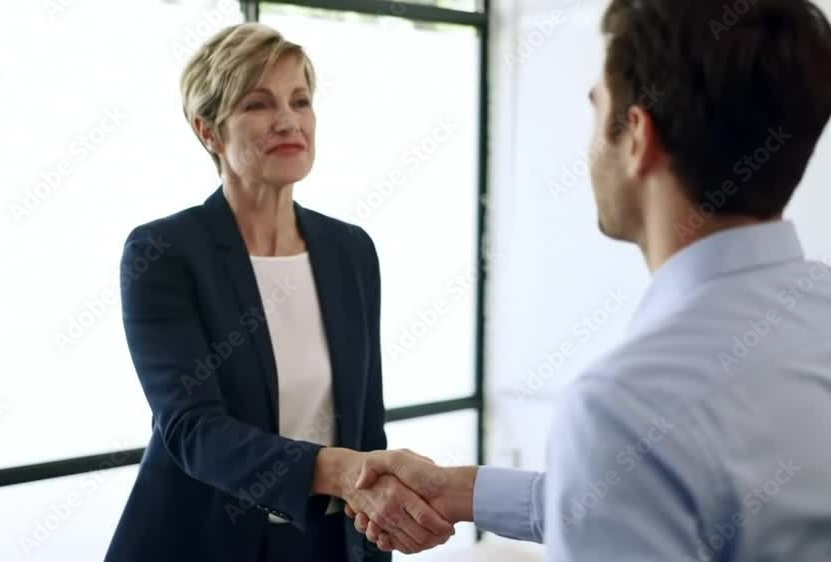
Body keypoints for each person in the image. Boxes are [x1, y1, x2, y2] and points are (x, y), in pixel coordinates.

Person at [345, 0, 831, 560]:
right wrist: (460, 491)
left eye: (595, 109)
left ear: (637, 137)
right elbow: (649, 497)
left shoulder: (624, 407)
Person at [104, 23, 454, 562]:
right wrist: (342, 473)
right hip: (200, 542)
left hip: (325, 541)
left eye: (301, 101)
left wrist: (377, 524)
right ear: (209, 131)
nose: (288, 120)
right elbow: (193, 429)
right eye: (258, 104)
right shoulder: (165, 253)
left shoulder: (350, 250)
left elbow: (365, 423)